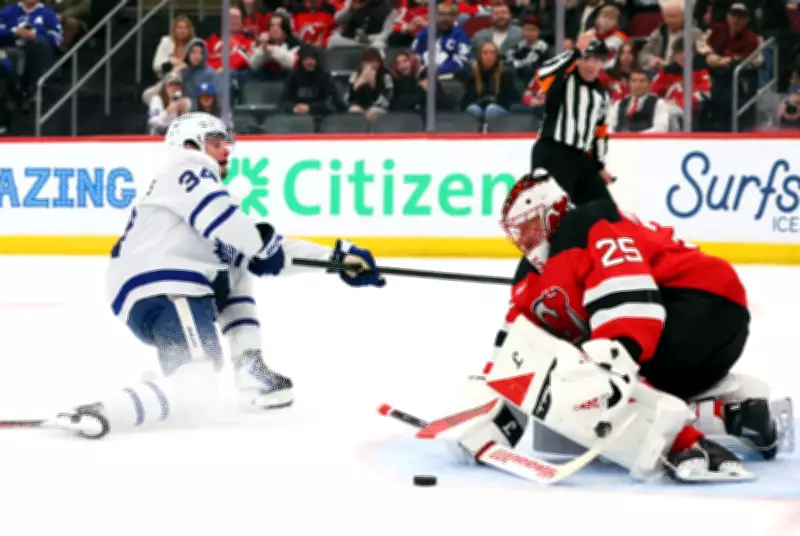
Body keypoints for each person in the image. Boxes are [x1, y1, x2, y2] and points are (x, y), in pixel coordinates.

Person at [429, 169, 788, 483]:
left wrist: (611, 361)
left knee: (590, 388)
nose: (524, 240)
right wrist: (484, 412)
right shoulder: (530, 277)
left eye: (529, 227)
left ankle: (682, 442)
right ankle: (736, 412)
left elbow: (628, 292)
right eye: (517, 233)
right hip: (707, 321)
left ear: (553, 213)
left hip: (696, 305)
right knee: (568, 426)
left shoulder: (585, 223)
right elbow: (518, 350)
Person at [46, 112, 386, 439]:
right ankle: (102, 410)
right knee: (197, 390)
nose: (226, 150)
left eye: (226, 142)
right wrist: (262, 248)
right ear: (189, 145)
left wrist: (337, 260)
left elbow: (260, 249)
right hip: (165, 284)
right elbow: (248, 237)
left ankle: (247, 367)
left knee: (237, 268)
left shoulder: (200, 200)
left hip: (161, 285)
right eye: (215, 141)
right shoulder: (186, 167)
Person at [515, 29, 615, 284]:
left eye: (597, 60)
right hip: (552, 152)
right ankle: (529, 278)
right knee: (551, 220)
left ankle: (600, 268)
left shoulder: (601, 94)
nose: (592, 65)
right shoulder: (563, 80)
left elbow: (600, 131)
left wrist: (599, 165)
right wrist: (574, 52)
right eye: (587, 59)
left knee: (606, 212)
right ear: (578, 60)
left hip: (581, 159)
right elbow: (541, 74)